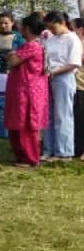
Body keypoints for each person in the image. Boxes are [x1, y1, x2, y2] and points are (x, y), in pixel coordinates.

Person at [5, 13, 50, 167]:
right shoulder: (31, 44)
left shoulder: (33, 45)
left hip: (28, 91)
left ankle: (30, 158)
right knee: (17, 123)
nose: (20, 29)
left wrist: (12, 55)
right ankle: (22, 156)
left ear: (28, 28)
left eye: (23, 27)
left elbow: (14, 60)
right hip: (23, 89)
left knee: (26, 125)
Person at [42, 11, 82, 161]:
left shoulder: (72, 39)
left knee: (62, 115)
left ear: (61, 22)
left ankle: (64, 151)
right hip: (48, 77)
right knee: (49, 115)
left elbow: (74, 63)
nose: (51, 30)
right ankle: (49, 149)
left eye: (52, 27)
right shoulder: (51, 39)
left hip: (64, 77)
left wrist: (55, 71)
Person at [0, 11, 24, 139]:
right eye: (1, 23)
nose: (3, 25)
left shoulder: (19, 38)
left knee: (5, 105)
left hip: (10, 74)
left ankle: (5, 131)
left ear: (12, 23)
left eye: (6, 23)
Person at [74, 17, 84, 159]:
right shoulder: (76, 43)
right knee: (77, 119)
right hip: (74, 85)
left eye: (73, 28)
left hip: (82, 85)